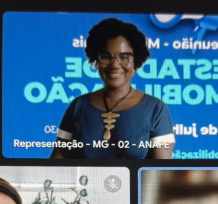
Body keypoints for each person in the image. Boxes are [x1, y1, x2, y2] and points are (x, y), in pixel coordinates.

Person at [51, 18, 175, 159]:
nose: (115, 65)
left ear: (136, 62)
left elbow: (160, 170)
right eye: (106, 56)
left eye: (124, 57)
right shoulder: (78, 106)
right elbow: (57, 163)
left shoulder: (155, 109)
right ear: (96, 61)